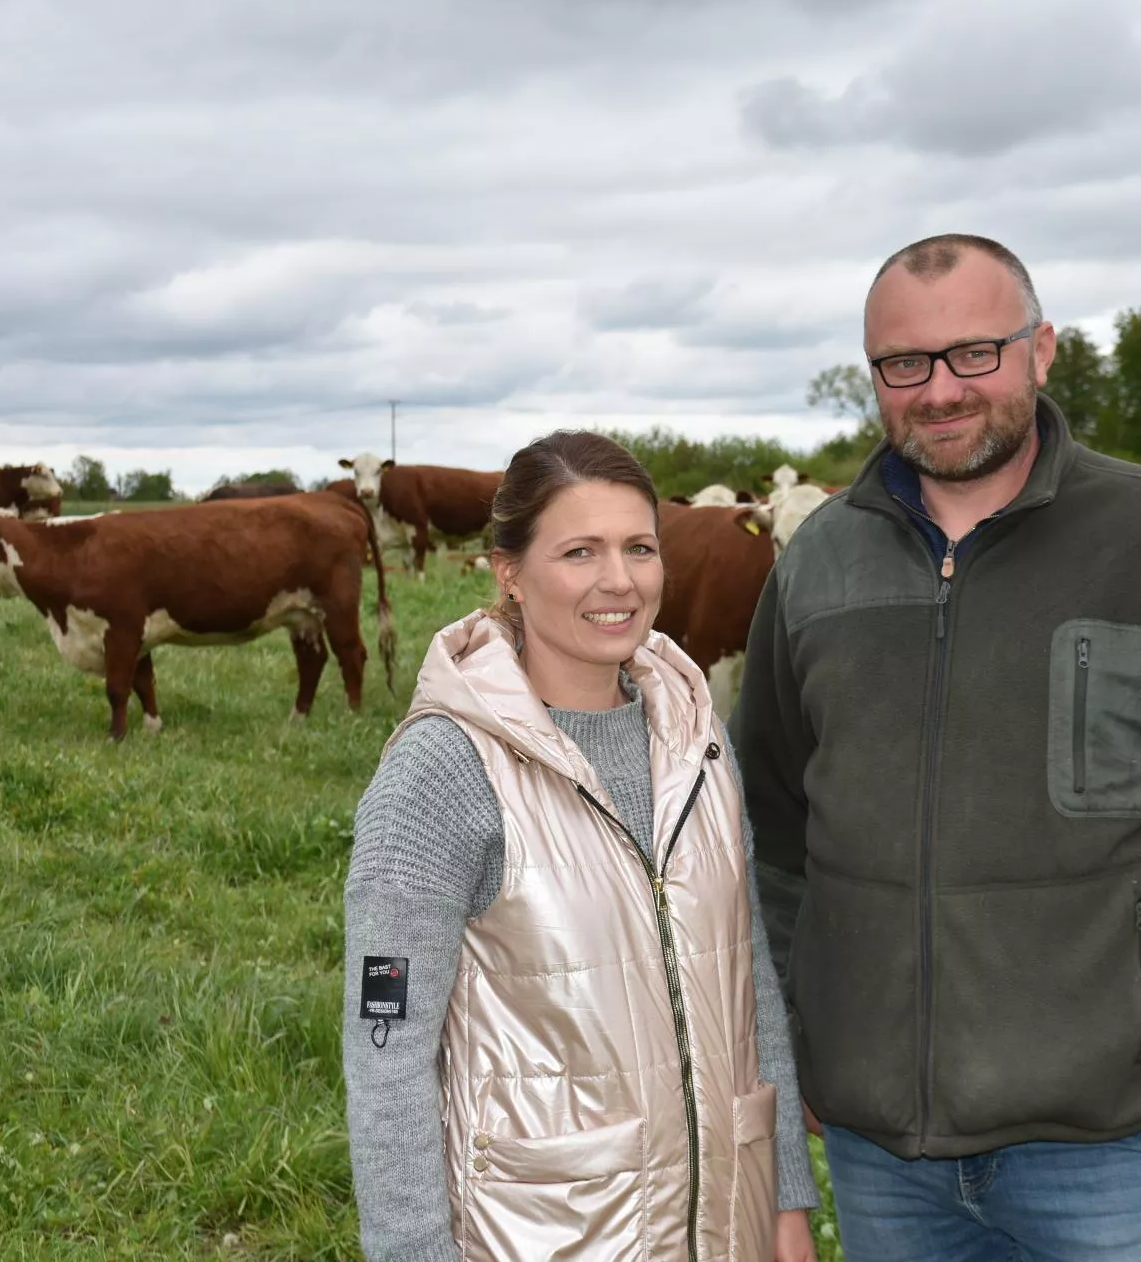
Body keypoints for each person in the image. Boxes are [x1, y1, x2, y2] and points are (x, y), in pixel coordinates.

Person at [731, 235, 1141, 1262]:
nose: (940, 389)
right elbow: (769, 842)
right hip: (877, 1153)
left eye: (975, 352)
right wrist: (790, 1054)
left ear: (1042, 349)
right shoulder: (818, 562)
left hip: (1116, 1151)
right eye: (904, 363)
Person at [343, 430, 820, 1262]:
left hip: (726, 1226)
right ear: (510, 574)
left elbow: (752, 981)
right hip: (546, 1236)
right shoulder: (444, 771)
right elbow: (386, 1050)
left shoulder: (698, 742)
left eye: (640, 547)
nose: (619, 581)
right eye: (579, 552)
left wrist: (785, 1201)